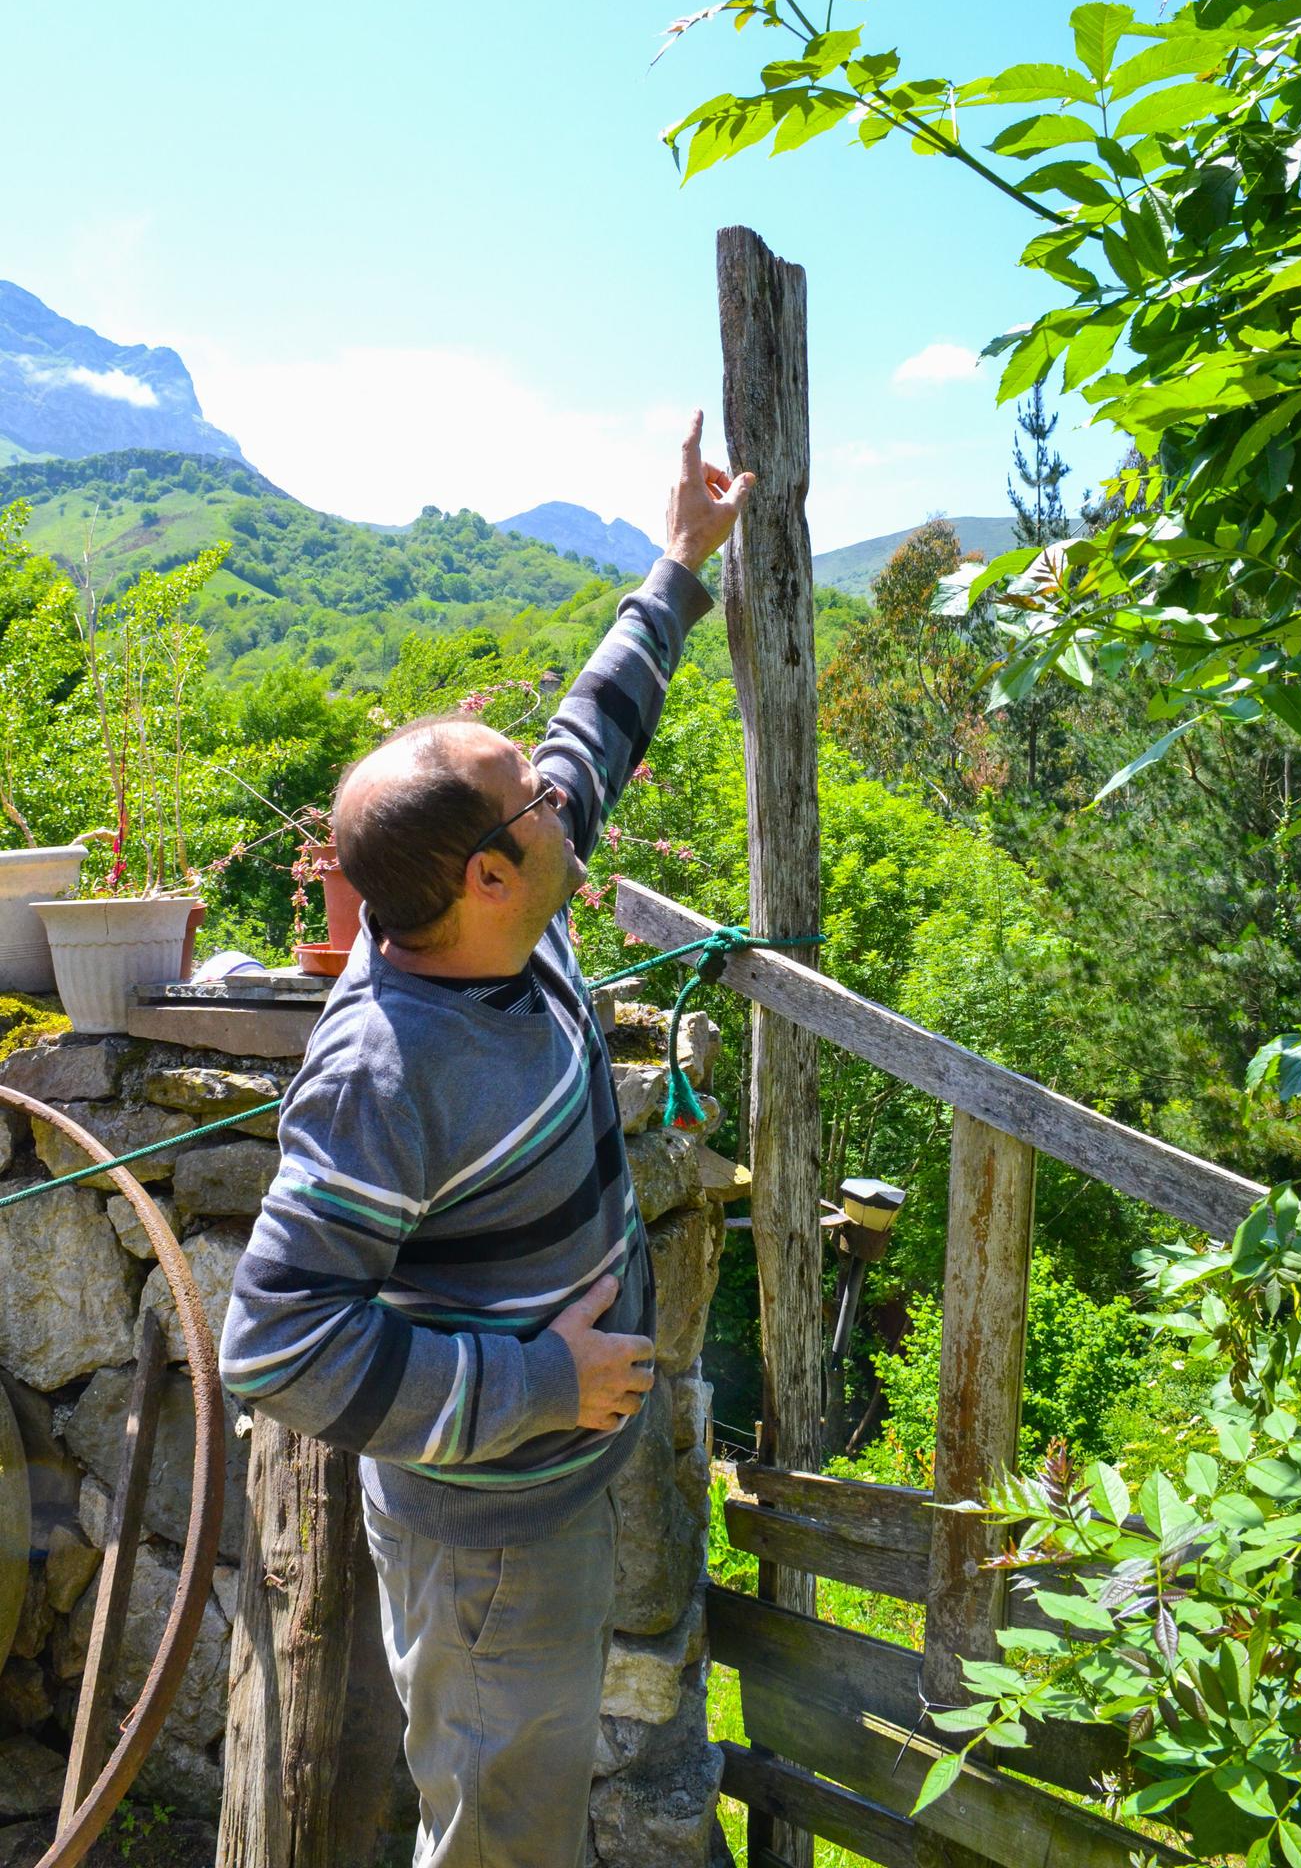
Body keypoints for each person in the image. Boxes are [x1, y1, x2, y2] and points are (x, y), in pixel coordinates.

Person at [219, 413, 754, 1868]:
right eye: (533, 803)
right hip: (486, 1539)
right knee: (498, 1828)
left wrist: (678, 563)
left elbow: (592, 732)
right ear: (484, 872)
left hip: (545, 1489)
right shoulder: (389, 1071)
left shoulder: (512, 921)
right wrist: (534, 1381)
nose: (563, 803)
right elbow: (271, 1348)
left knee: (518, 1797)